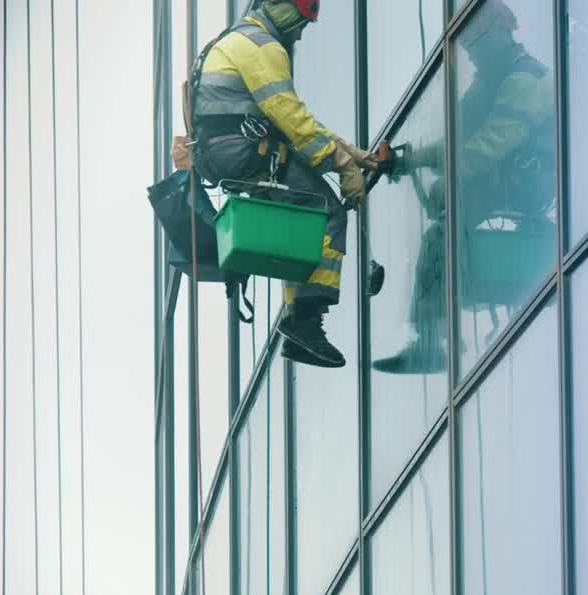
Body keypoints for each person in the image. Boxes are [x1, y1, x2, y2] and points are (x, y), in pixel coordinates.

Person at [191, 0, 379, 369]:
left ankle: (300, 325)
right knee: (326, 213)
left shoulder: (236, 39)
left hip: (229, 151)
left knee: (304, 217)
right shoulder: (263, 46)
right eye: (301, 22)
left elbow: (290, 123)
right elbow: (290, 116)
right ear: (286, 12)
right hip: (243, 151)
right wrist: (340, 164)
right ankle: (304, 321)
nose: (300, 32)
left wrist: (351, 154)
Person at [373, 0, 555, 374]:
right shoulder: (490, 82)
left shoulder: (525, 80)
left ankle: (432, 340)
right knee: (445, 232)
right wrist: (413, 159)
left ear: (503, 36)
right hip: (504, 180)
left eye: (479, 47)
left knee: (442, 236)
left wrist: (451, 179)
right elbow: (456, 138)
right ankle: (435, 332)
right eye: (471, 48)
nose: (474, 56)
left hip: (526, 184)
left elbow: (490, 143)